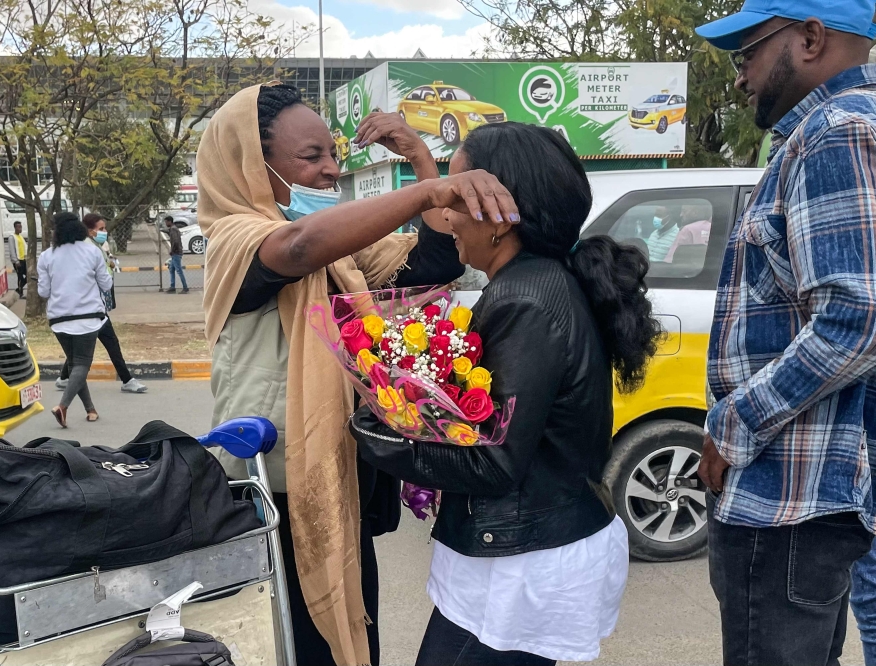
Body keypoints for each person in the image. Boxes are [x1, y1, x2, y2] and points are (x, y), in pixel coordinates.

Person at [198, 82, 515, 666]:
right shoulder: (233, 239)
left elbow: (433, 260)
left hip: (339, 479)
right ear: (251, 164)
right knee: (292, 645)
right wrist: (429, 188)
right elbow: (295, 249)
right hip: (273, 492)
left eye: (333, 155)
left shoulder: (341, 252)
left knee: (350, 631)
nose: (331, 172)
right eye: (311, 157)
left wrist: (421, 159)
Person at [352, 122, 660, 665]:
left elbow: (495, 463)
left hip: (520, 565)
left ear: (497, 214)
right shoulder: (536, 278)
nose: (444, 218)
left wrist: (374, 430)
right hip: (525, 546)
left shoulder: (526, 300)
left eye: (455, 199)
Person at [696, 3, 876, 664]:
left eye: (746, 53)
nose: (740, 77)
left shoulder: (834, 132)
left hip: (785, 506)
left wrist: (733, 424)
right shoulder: (833, 132)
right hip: (799, 504)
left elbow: (857, 321)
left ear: (809, 37)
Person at [55, 213, 147, 395]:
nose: (105, 232)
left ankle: (64, 378)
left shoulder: (95, 246)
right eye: (101, 229)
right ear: (90, 231)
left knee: (81, 348)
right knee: (109, 343)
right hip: (90, 308)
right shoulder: (88, 250)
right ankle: (127, 380)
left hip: (94, 306)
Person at [37, 212, 113, 427]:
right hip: (88, 316)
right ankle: (62, 407)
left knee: (74, 364)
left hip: (59, 319)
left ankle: (90, 410)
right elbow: (106, 285)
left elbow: (43, 291)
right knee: (81, 364)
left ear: (56, 231)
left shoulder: (47, 256)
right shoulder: (92, 251)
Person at [164, 216, 189, 294]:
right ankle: (172, 287)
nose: (165, 223)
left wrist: (172, 250)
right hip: (176, 252)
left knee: (179, 270)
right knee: (171, 269)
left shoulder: (173, 229)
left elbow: (175, 241)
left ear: (169, 222)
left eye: (166, 222)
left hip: (176, 252)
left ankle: (185, 287)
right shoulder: (173, 229)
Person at [7, 221, 28, 298]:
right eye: (18, 227)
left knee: (28, 275)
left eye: (21, 227)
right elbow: (12, 250)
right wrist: (15, 261)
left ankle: (19, 289)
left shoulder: (20, 237)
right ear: (15, 228)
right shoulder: (12, 237)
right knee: (20, 276)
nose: (20, 229)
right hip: (18, 260)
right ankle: (20, 293)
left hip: (23, 259)